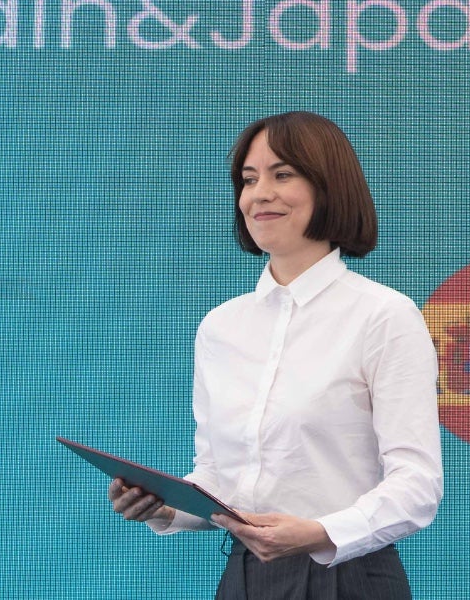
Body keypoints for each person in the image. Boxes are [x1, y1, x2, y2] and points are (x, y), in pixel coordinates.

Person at [107, 111, 443, 599]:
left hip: (347, 576)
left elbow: (417, 484)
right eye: (248, 180)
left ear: (329, 187)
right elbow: (220, 478)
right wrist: (166, 507)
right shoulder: (221, 326)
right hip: (244, 576)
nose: (259, 194)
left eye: (282, 175)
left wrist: (321, 532)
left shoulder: (384, 316)